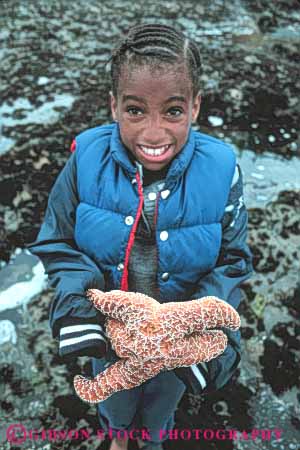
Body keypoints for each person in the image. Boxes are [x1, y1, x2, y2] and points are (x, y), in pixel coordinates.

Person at [27, 23, 253, 450]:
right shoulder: (85, 159)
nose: (153, 134)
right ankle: (116, 437)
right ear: (114, 106)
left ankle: (151, 441)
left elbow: (233, 261)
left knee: (162, 405)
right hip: (111, 331)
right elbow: (58, 243)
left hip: (179, 335)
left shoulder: (222, 168)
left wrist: (207, 340)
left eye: (172, 111)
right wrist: (78, 311)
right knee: (113, 396)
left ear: (195, 106)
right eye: (135, 111)